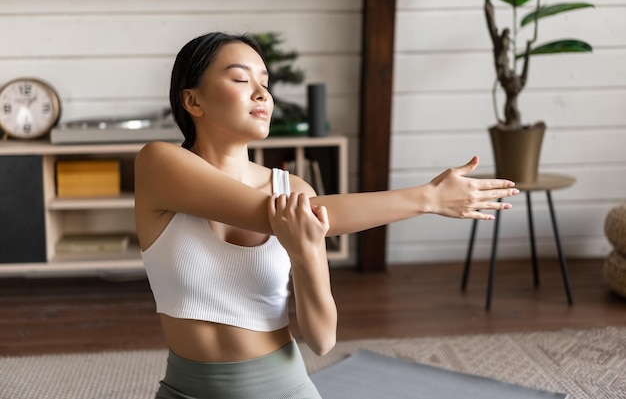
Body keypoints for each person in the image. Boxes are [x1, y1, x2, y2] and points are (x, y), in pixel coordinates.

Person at [134, 31, 519, 399]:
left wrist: (306, 255)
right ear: (193, 102)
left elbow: (322, 340)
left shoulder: (296, 190)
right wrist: (427, 198)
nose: (261, 94)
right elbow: (277, 215)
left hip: (281, 389)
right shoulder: (159, 164)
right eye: (240, 79)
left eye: (265, 83)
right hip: (185, 391)